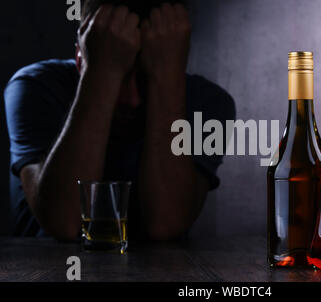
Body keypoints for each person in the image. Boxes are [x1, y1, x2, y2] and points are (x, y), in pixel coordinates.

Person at [4, 0, 235, 241]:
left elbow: (165, 225)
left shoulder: (209, 104)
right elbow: (66, 223)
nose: (132, 100)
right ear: (80, 58)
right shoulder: (35, 88)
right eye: (121, 76)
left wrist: (166, 80)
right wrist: (101, 72)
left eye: (145, 79)